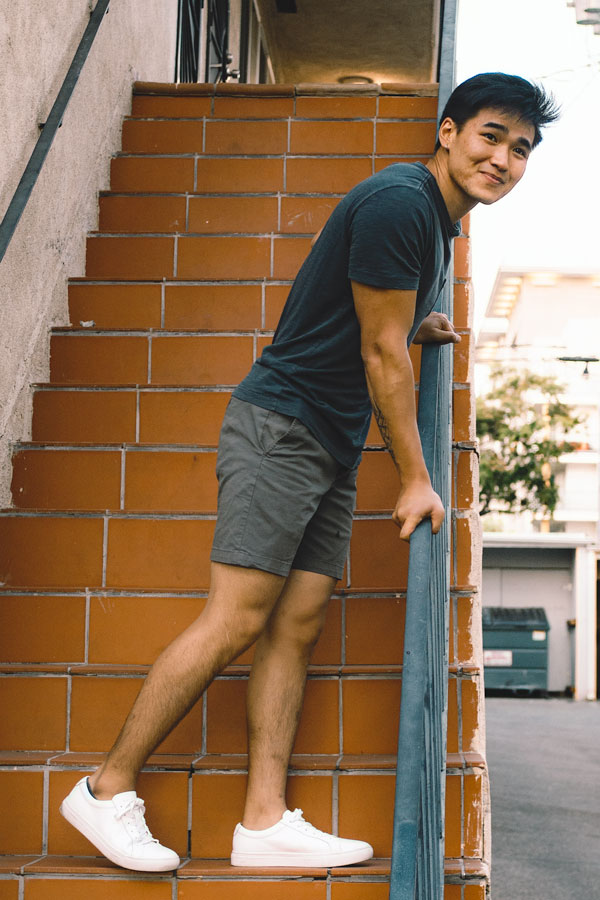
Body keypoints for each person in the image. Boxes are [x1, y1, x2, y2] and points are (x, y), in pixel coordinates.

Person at [60, 72, 559, 872]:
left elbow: (379, 323)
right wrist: (416, 474)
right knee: (237, 616)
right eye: (490, 136)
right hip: (282, 427)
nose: (502, 158)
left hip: (323, 437)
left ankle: (261, 821)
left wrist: (415, 324)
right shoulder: (403, 205)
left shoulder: (437, 225)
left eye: (521, 149)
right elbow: (376, 350)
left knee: (295, 624)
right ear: (447, 131)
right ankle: (106, 787)